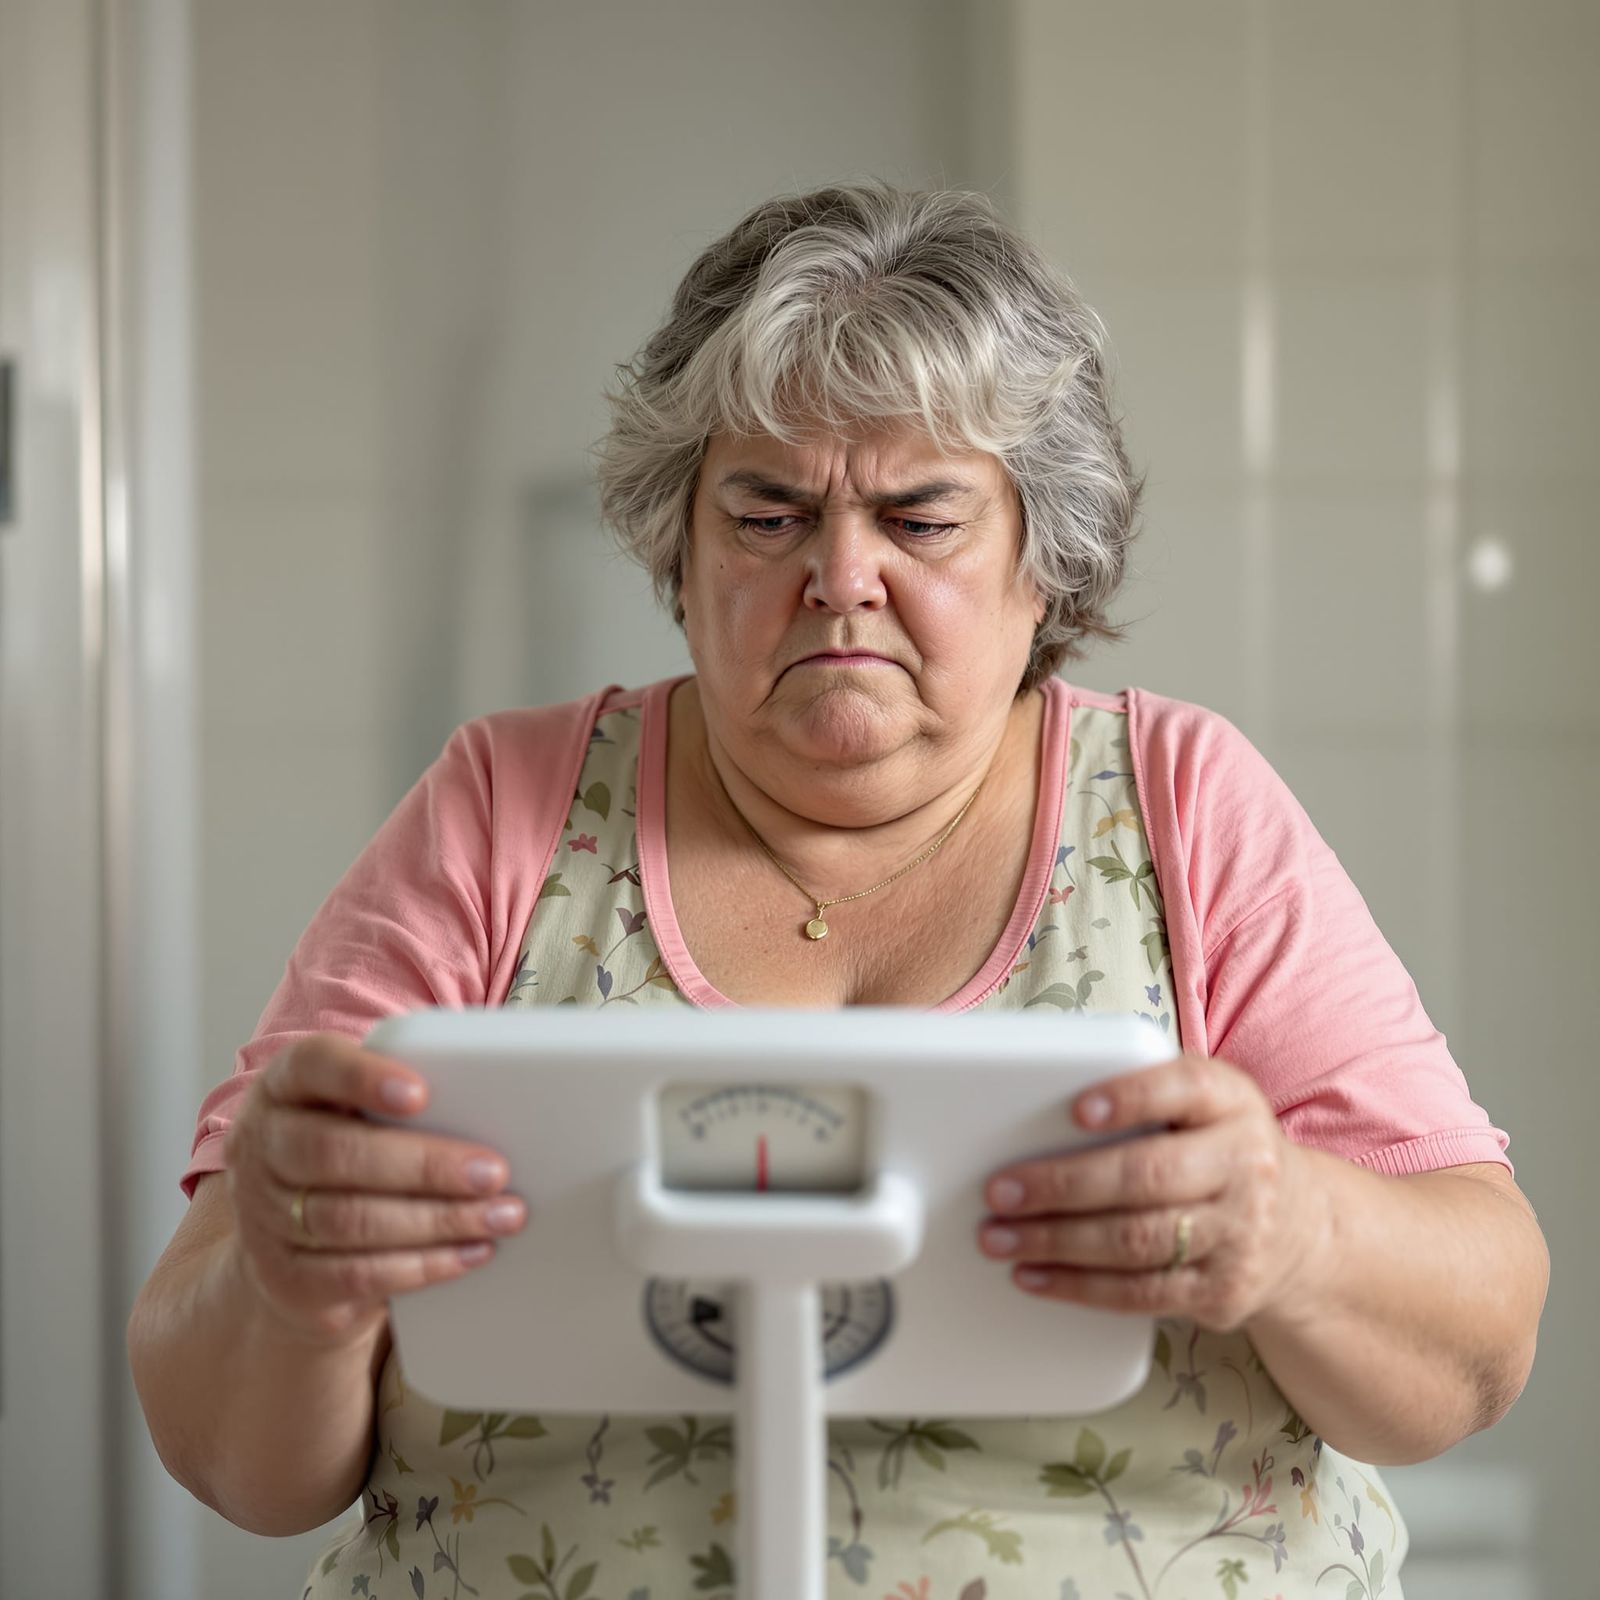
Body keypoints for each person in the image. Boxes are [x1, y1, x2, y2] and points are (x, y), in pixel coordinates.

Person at [128, 179, 1548, 1600]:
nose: (840, 577)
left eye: (920, 520)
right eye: (768, 515)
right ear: (680, 553)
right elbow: (228, 1455)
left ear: (1042, 563)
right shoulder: (502, 808)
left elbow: (1477, 1353)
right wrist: (290, 1282)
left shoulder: (1189, 805)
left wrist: (1291, 1229)